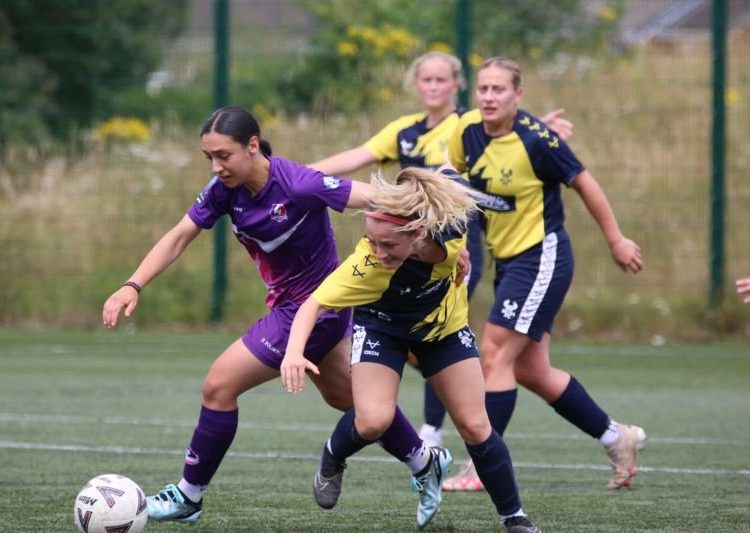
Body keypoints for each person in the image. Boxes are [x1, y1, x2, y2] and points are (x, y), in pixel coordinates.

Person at [101, 106, 440, 525]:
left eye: (223, 155)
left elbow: (380, 200)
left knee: (219, 386)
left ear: (253, 146)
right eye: (209, 156)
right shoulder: (225, 189)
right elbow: (179, 236)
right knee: (352, 401)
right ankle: (425, 461)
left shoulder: (299, 184)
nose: (216, 166)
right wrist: (132, 284)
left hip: (314, 309)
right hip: (293, 308)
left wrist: (442, 239)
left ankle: (189, 496)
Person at [310, 50, 573, 449]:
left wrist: (538, 128)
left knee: (439, 329)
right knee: (417, 339)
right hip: (402, 250)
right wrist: (297, 174)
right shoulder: (405, 130)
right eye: (426, 80)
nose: (433, 87)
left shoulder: (468, 126)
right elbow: (357, 156)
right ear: (416, 85)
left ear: (456, 85)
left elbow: (513, 134)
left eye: (441, 80)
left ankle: (432, 431)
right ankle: (429, 415)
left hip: (451, 250)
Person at [280, 167, 541, 533]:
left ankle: (514, 517)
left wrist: (460, 257)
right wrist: (294, 352)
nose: (378, 251)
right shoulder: (366, 266)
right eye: (372, 240)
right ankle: (332, 455)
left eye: (388, 245)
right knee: (373, 420)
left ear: (418, 232)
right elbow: (313, 305)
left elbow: (448, 177)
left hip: (443, 331)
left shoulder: (449, 229)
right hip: (382, 328)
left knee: (475, 426)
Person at [442, 56, 646, 493]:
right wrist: (455, 245)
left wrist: (616, 240)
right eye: (483, 89)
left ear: (519, 95)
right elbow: (453, 182)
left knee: (494, 354)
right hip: (508, 261)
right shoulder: (466, 131)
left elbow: (586, 183)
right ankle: (617, 437)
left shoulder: (538, 140)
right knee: (531, 369)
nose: (489, 97)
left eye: (499, 89)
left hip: (542, 257)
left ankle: (482, 467)